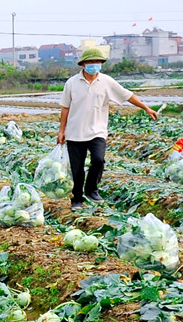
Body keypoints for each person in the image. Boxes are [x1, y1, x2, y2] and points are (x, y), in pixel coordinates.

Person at [58, 49, 158, 210]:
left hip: (97, 131)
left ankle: (91, 189)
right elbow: (65, 108)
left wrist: (146, 108)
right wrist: (61, 131)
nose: (94, 65)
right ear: (83, 64)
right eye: (90, 62)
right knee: (77, 169)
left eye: (97, 62)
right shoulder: (71, 83)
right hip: (75, 132)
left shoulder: (106, 82)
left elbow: (127, 95)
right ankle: (77, 199)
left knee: (98, 160)